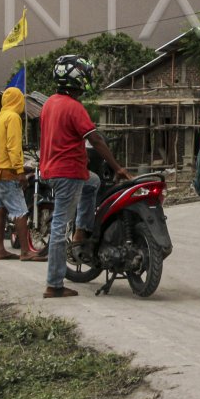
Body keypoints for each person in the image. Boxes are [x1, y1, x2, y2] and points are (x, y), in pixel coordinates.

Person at [40, 54, 132, 299]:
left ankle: (81, 230)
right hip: (67, 173)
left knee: (93, 182)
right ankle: (54, 284)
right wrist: (117, 167)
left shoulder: (50, 102)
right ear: (78, 78)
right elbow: (96, 139)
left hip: (53, 170)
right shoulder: (74, 107)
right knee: (59, 227)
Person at [0, 86, 44, 262]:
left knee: (0, 210)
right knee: (20, 211)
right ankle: (26, 251)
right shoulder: (13, 117)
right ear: (18, 101)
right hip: (7, 172)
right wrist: (19, 171)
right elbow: (13, 146)